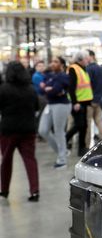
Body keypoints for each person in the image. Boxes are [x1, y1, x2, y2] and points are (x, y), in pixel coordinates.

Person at [0, 61, 40, 201]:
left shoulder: (3, 89)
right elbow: (36, 107)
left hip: (8, 131)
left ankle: (4, 190)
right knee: (30, 160)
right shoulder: (31, 89)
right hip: (28, 130)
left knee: (6, 160)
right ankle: (34, 191)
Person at [37, 56, 71, 168]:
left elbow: (54, 90)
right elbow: (41, 89)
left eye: (55, 62)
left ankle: (62, 160)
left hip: (61, 105)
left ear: (61, 64)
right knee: (43, 130)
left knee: (59, 131)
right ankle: (63, 151)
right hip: (50, 104)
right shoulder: (50, 76)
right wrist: (49, 89)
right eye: (52, 61)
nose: (52, 63)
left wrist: (49, 88)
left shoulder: (64, 76)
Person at [64, 51, 94, 156]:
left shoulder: (83, 69)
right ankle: (65, 139)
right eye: (86, 58)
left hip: (84, 102)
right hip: (77, 103)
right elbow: (71, 88)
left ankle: (81, 149)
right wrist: (75, 102)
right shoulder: (73, 69)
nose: (88, 60)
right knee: (80, 125)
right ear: (80, 59)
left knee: (84, 126)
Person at [85, 50, 102, 144]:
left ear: (91, 56)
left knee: (88, 122)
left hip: (90, 99)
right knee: (99, 121)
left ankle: (86, 145)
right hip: (101, 98)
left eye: (87, 56)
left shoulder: (87, 69)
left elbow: (87, 85)